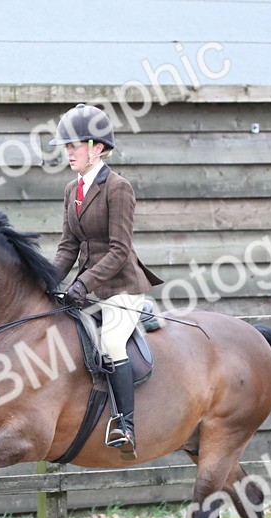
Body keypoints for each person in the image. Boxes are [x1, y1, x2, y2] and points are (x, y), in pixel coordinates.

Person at [50, 103, 164, 461]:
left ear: (97, 147)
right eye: (66, 146)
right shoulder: (72, 190)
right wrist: (46, 280)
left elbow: (119, 250)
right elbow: (68, 247)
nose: (69, 152)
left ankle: (125, 426)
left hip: (121, 288)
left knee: (112, 343)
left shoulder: (118, 188)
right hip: (88, 290)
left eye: (75, 146)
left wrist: (82, 284)